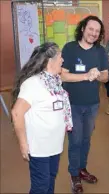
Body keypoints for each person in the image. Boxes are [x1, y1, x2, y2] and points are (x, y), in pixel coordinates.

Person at [11, 42, 72, 193]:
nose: (62, 60)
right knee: (41, 186)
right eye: (60, 56)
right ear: (49, 61)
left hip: (54, 144)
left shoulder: (54, 80)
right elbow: (16, 113)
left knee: (50, 179)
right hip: (39, 147)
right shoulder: (33, 83)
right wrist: (23, 144)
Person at [61, 15, 109, 194]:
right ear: (83, 29)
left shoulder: (100, 51)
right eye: (91, 29)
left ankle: (82, 168)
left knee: (86, 140)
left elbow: (106, 77)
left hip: (92, 105)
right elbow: (62, 75)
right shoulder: (70, 48)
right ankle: (74, 175)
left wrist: (97, 75)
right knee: (75, 140)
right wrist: (85, 76)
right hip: (72, 104)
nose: (93, 33)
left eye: (97, 31)